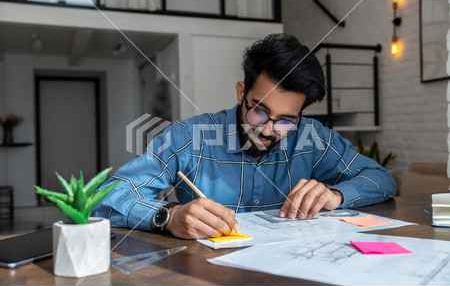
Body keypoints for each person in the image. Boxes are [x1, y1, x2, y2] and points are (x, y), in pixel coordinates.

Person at [92, 33, 396, 239]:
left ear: (301, 115)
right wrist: (168, 216)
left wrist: (337, 195)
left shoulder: (313, 138)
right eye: (259, 111)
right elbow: (105, 200)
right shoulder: (187, 137)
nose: (267, 129)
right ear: (241, 93)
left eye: (285, 121)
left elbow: (381, 178)